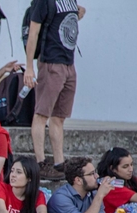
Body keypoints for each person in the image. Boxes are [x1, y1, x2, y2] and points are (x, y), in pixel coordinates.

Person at [24, 0, 87, 181]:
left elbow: (77, 13)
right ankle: (40, 163)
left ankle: (59, 163)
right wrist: (29, 67)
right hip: (51, 61)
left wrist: (79, 11)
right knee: (42, 113)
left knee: (59, 117)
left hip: (68, 62)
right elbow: (33, 33)